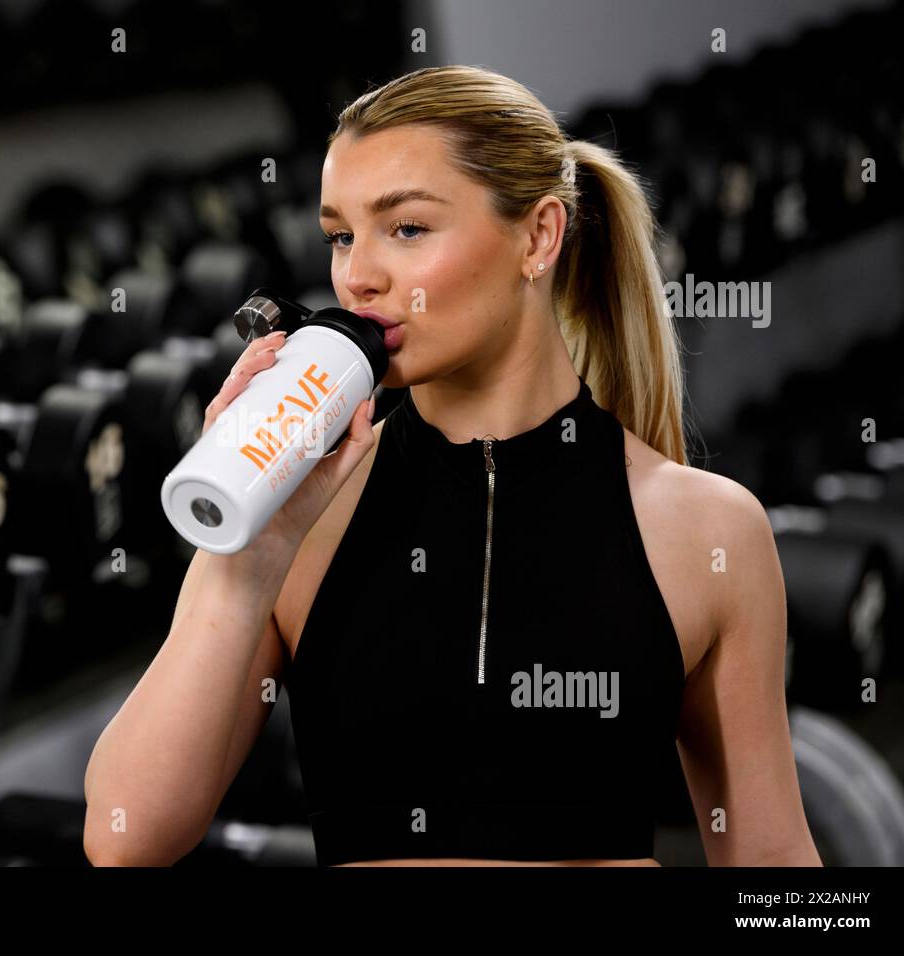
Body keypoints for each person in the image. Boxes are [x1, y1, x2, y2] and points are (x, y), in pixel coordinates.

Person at [83, 65, 821, 867]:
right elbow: (126, 839)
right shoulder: (298, 519)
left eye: (406, 229)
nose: (357, 275)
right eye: (340, 235)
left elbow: (774, 869)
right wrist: (246, 553)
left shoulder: (708, 528)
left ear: (538, 236)